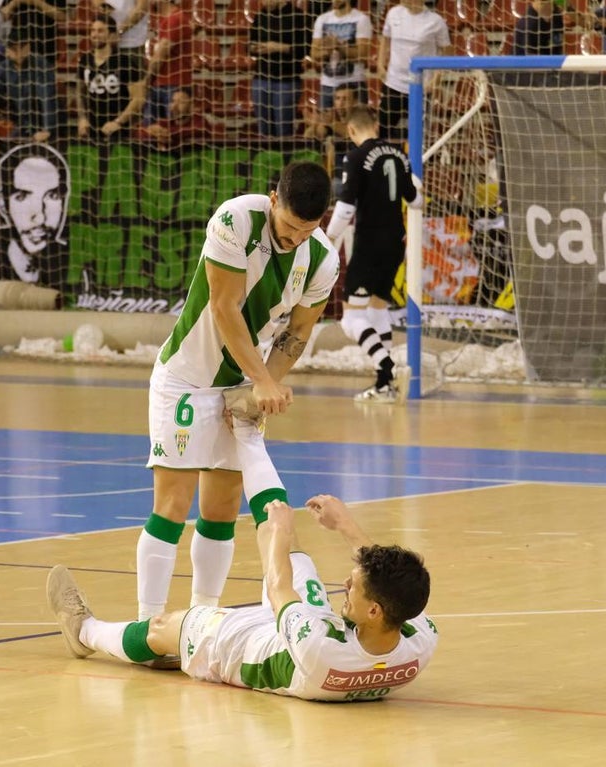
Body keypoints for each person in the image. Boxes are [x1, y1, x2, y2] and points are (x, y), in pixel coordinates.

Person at [136, 160, 339, 624]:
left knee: (223, 508)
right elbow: (224, 307)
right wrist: (263, 381)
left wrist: (258, 388)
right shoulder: (236, 219)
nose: (296, 238)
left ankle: (200, 621)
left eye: (307, 230)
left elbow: (297, 333)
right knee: (172, 504)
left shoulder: (323, 259)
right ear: (274, 199)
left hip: (240, 382)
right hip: (187, 377)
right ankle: (147, 622)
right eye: (289, 226)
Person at [48, 491, 439, 701]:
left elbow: (278, 586)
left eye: (353, 587)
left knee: (163, 627)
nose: (346, 585)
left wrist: (280, 533)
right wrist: (345, 525)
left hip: (253, 653)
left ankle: (84, 632)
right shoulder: (418, 637)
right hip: (321, 628)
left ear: (374, 610)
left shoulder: (320, 649)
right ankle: (251, 434)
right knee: (287, 543)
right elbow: (386, 579)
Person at [325, 104, 420, 402]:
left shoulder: (354, 157)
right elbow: (416, 200)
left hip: (369, 243)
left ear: (351, 129)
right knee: (378, 311)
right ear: (376, 126)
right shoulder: (400, 154)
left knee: (350, 320)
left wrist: (328, 239)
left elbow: (346, 207)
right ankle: (384, 385)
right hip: (395, 243)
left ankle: (387, 366)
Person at [0, 141, 69, 287]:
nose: (40, 218)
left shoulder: (70, 265)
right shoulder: (3, 260)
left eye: (52, 196)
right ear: (2, 203)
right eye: (22, 197)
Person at [377, 0, 449, 142]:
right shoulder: (393, 13)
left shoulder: (435, 21)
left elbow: (446, 52)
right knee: (382, 132)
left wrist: (436, 79)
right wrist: (380, 64)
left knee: (418, 136)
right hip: (394, 84)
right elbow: (385, 40)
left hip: (420, 87)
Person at [0, 28, 57, 146]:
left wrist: (47, 130)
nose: (14, 53)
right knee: (6, 148)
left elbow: (47, 99)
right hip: (22, 123)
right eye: (11, 49)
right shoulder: (4, 68)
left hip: (47, 124)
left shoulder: (41, 66)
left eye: (18, 49)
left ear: (27, 48)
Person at [75, 13, 145, 141]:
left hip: (119, 130)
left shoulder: (125, 62)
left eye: (100, 31)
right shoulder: (85, 60)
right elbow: (80, 93)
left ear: (111, 35)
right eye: (93, 30)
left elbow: (139, 98)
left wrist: (118, 122)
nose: (95, 34)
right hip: (92, 129)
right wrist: (82, 118)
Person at [249, 0, 312, 138]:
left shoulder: (298, 16)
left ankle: (285, 152)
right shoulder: (261, 16)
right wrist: (257, 48)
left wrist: (279, 48)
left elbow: (306, 49)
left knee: (283, 130)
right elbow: (249, 45)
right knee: (263, 131)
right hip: (261, 79)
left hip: (287, 80)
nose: (263, 3)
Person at [310, 0, 371, 110]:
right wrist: (328, 51)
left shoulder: (361, 19)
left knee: (356, 120)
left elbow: (362, 55)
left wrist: (338, 46)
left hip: (354, 83)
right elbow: (314, 54)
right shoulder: (322, 19)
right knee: (325, 120)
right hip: (327, 84)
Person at [142, 0, 192, 126]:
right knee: (151, 131)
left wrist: (145, 82)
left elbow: (160, 55)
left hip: (174, 86)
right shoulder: (168, 20)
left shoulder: (175, 19)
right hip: (161, 84)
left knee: (171, 131)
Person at [136, 87, 215, 150]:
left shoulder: (200, 123)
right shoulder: (166, 123)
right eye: (173, 101)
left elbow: (189, 132)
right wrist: (150, 130)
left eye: (181, 102)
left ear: (192, 105)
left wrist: (165, 133)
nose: (174, 107)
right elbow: (139, 134)